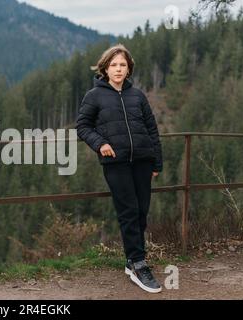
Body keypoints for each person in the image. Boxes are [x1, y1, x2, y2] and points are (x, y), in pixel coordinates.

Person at [75, 44, 163, 293]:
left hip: (143, 162)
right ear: (104, 68)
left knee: (142, 211)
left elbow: (152, 130)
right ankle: (138, 263)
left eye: (122, 65)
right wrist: (100, 143)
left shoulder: (138, 96)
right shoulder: (94, 96)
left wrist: (157, 161)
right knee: (129, 211)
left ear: (129, 68)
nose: (118, 69)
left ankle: (131, 259)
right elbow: (82, 127)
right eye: (113, 65)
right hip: (117, 164)